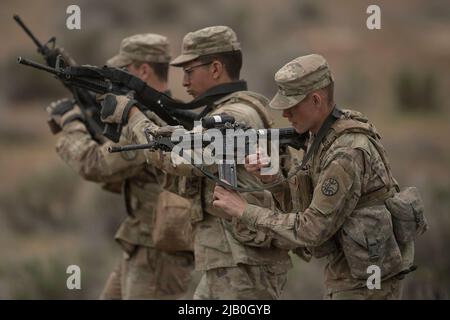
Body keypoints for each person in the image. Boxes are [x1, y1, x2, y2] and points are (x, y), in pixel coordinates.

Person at [101, 26, 294, 299]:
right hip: (229, 259)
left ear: (216, 68)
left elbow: (179, 158)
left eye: (189, 71)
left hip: (244, 265)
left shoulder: (235, 114)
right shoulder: (227, 111)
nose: (185, 81)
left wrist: (132, 115)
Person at [212, 54, 424, 299]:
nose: (286, 114)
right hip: (350, 276)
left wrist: (243, 210)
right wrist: (273, 180)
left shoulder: (345, 152)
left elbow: (311, 229)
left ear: (315, 100)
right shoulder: (321, 135)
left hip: (367, 285)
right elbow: (307, 204)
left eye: (292, 106)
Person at [46, 34, 195, 299]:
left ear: (143, 70)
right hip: (142, 243)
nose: (116, 78)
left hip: (158, 253)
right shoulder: (169, 113)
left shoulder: (149, 122)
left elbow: (96, 163)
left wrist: (71, 123)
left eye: (123, 72)